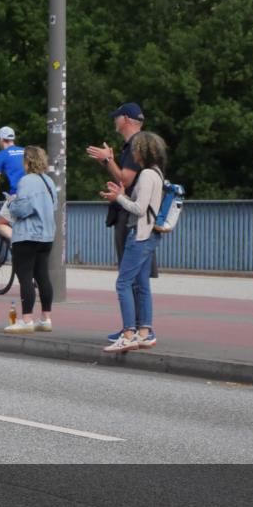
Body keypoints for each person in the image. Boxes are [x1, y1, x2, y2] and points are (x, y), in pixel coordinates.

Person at [87, 102, 159, 342]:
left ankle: (132, 330)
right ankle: (142, 329)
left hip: (132, 221)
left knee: (128, 279)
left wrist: (108, 161)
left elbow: (125, 180)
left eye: (116, 117)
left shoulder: (136, 146)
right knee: (138, 279)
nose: (114, 121)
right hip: (139, 222)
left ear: (126, 118)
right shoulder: (139, 146)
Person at [99, 132, 167, 353]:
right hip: (150, 234)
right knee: (142, 285)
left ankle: (128, 334)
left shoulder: (146, 174)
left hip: (139, 235)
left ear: (142, 151)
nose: (133, 153)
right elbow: (144, 205)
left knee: (123, 284)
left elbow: (138, 209)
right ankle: (144, 333)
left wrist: (118, 198)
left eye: (136, 149)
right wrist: (121, 194)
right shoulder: (157, 172)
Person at [1, 147, 57, 334]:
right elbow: (53, 206)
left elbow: (22, 210)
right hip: (47, 236)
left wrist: (10, 203)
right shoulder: (49, 181)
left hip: (27, 235)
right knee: (43, 276)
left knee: (25, 276)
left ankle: (26, 320)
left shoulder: (26, 181)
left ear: (28, 162)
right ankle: (46, 319)